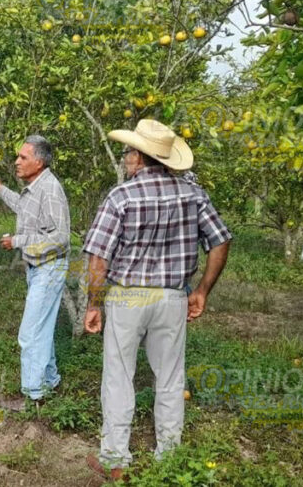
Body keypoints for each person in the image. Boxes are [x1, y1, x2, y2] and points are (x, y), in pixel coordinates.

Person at [82, 120, 232, 481]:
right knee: (170, 376)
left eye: (127, 154)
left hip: (128, 296)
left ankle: (116, 458)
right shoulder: (193, 195)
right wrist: (202, 291)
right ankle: (170, 456)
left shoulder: (122, 197)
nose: (125, 160)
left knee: (119, 376)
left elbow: (99, 259)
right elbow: (221, 241)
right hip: (171, 296)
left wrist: (93, 303)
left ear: (138, 156)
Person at [0, 135, 70, 409]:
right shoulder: (36, 187)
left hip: (49, 267)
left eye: (23, 157)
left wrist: (18, 241)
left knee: (30, 334)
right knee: (43, 328)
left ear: (39, 161)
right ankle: (50, 380)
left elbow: (61, 237)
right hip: (39, 268)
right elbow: (23, 207)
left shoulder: (50, 189)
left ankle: (34, 394)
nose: (17, 161)